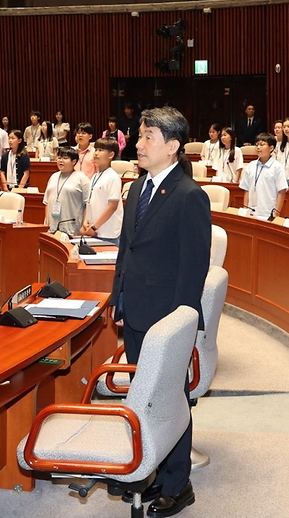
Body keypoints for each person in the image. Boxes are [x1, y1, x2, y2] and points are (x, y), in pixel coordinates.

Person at [108, 107, 209, 516]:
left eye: (147, 137)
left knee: (169, 399)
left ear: (172, 146)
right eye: (140, 136)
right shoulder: (137, 187)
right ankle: (150, 467)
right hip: (135, 309)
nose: (138, 143)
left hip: (166, 318)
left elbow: (193, 268)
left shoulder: (189, 195)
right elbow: (124, 250)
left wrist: (178, 327)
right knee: (142, 397)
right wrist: (119, 298)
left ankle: (177, 482)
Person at [80, 137, 124, 244]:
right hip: (94, 230)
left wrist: (95, 227)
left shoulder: (113, 177)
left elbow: (112, 206)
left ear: (111, 155)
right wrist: (86, 221)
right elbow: (89, 202)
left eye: (101, 150)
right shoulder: (95, 176)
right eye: (96, 149)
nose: (96, 153)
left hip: (108, 233)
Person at [240, 132, 288, 220]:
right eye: (257, 144)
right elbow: (246, 189)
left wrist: (276, 213)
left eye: (262, 145)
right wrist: (245, 209)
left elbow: (282, 191)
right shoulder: (251, 165)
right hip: (250, 212)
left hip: (268, 213)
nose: (258, 147)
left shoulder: (277, 167)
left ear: (271, 148)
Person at [43, 147, 89, 236]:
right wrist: (47, 221)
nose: (61, 160)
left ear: (74, 161)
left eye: (65, 158)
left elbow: (87, 204)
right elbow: (46, 201)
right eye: (59, 157)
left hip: (71, 228)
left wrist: (84, 224)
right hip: (52, 228)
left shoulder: (82, 178)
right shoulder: (53, 176)